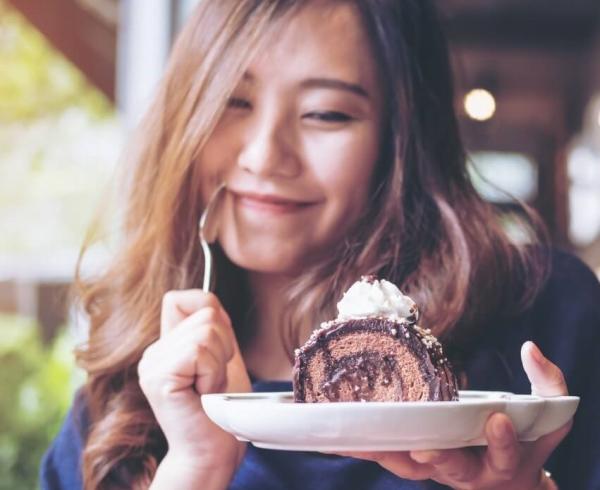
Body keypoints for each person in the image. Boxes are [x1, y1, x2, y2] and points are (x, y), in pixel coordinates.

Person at [40, 1, 600, 489]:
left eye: (325, 113)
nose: (264, 156)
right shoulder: (130, 392)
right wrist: (194, 470)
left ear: (401, 139)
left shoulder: (542, 315)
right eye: (233, 102)